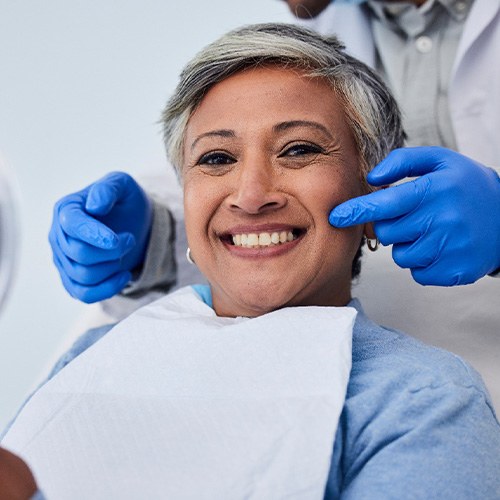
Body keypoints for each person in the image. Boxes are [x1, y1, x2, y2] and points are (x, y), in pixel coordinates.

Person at [4, 24, 500, 499]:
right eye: (217, 158)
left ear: (376, 197)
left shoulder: (424, 401)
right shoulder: (94, 355)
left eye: (299, 149)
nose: (251, 195)